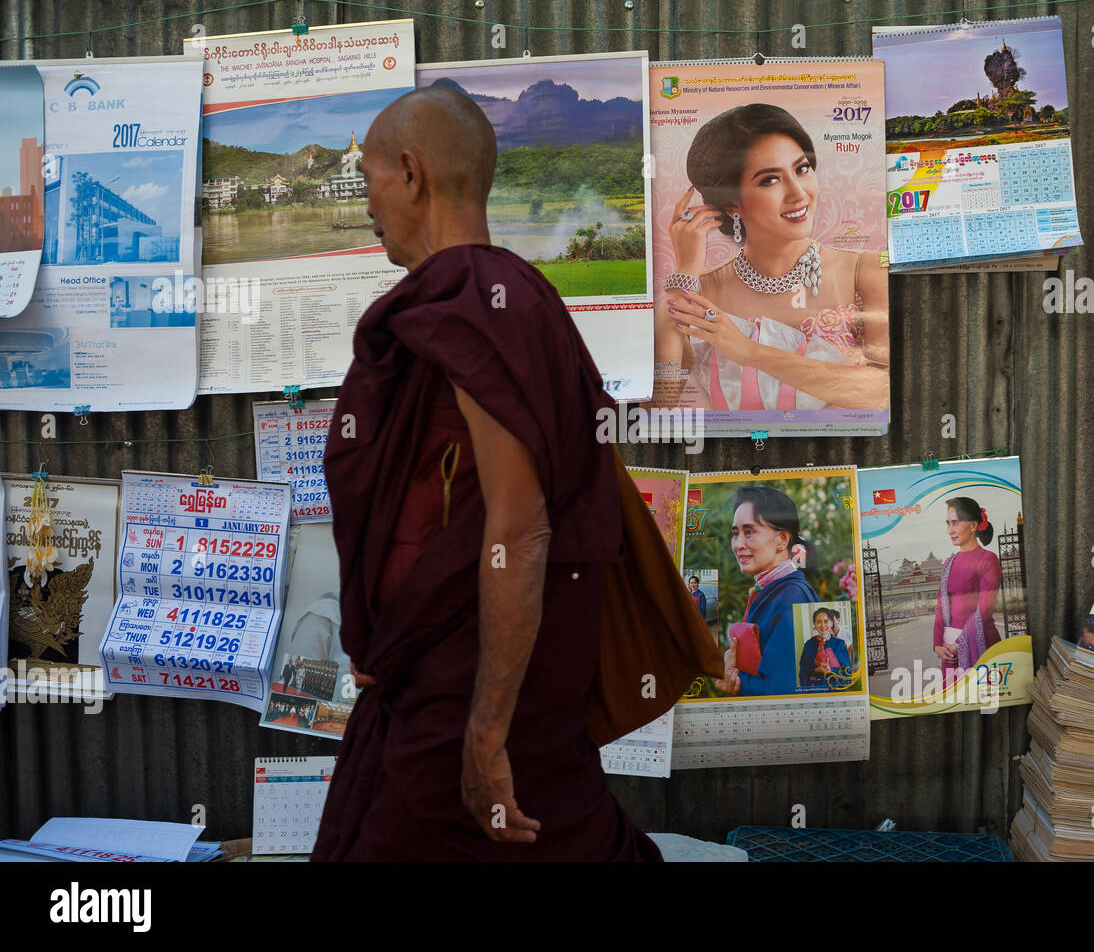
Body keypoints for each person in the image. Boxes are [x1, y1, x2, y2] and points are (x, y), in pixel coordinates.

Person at [309, 86, 661, 862]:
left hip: (472, 692)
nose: (365, 202)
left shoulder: (478, 301)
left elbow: (518, 522)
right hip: (427, 675)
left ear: (411, 173)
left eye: (367, 179)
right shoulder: (483, 301)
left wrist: (487, 732)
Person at [651, 103, 889, 412]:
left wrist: (750, 352)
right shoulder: (700, 293)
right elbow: (659, 407)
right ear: (732, 204)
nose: (798, 193)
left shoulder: (866, 270)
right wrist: (684, 272)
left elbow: (883, 392)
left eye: (802, 169)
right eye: (769, 180)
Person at [714, 485, 817, 697]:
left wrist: (736, 678)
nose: (738, 544)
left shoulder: (792, 597)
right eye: (735, 533)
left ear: (782, 539)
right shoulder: (771, 590)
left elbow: (784, 692)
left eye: (749, 531)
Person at [932, 497, 1002, 685]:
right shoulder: (949, 563)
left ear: (973, 526)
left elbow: (984, 610)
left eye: (955, 523)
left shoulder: (988, 560)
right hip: (949, 653)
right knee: (954, 703)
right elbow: (941, 606)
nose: (950, 530)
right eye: (948, 523)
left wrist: (959, 644)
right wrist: (938, 645)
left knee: (983, 700)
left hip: (979, 644)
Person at [799, 607, 851, 689]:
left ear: (831, 624)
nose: (823, 625)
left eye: (826, 621)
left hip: (835, 690)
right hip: (815, 691)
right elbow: (802, 672)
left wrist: (831, 671)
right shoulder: (808, 645)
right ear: (814, 625)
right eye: (819, 622)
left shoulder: (839, 644)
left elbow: (848, 673)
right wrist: (815, 670)